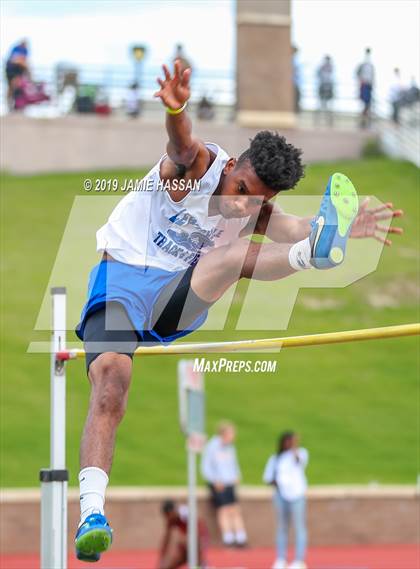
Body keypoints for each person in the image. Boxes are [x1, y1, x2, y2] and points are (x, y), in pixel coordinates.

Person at [73, 60, 403, 562]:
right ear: (231, 169)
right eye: (243, 191)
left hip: (175, 299)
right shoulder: (199, 169)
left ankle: (313, 256)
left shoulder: (255, 206)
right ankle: (92, 513)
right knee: (112, 382)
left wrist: (332, 229)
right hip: (121, 283)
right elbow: (182, 143)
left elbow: (286, 223)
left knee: (232, 256)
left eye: (258, 202)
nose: (243, 207)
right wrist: (177, 109)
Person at [263, 432, 308, 569]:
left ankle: (299, 560)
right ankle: (281, 559)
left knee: (299, 527)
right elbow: (267, 478)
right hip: (281, 495)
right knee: (282, 527)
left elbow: (299, 462)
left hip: (297, 495)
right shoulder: (275, 459)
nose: (290, 444)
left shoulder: (301, 453)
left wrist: (294, 447)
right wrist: (279, 482)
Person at [201, 421, 248, 547]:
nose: (233, 437)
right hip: (218, 483)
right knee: (224, 510)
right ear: (224, 434)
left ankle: (240, 537)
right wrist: (214, 480)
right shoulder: (212, 446)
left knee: (235, 509)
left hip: (229, 482)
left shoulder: (230, 447)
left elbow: (233, 464)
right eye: (231, 434)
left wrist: (237, 476)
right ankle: (228, 538)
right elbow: (206, 466)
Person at [158, 500, 208, 569]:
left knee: (183, 542)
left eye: (167, 515)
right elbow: (167, 539)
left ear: (171, 511)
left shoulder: (184, 513)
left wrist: (194, 544)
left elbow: (198, 528)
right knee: (166, 567)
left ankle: (201, 564)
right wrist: (162, 558)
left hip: (199, 539)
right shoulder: (171, 521)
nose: (167, 518)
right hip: (186, 547)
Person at [5, 39, 29, 109]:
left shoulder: (25, 50)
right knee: (11, 87)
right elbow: (14, 60)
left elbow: (23, 61)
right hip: (11, 70)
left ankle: (16, 104)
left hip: (18, 70)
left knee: (17, 86)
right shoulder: (16, 48)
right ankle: (10, 104)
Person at [356, 47, 375, 128]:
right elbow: (358, 74)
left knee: (367, 105)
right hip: (364, 85)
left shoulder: (370, 65)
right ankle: (363, 122)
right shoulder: (364, 64)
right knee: (365, 105)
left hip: (368, 85)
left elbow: (372, 76)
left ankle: (365, 123)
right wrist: (361, 81)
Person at [315, 55, 335, 126]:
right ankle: (318, 121)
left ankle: (329, 122)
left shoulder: (331, 67)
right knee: (321, 104)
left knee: (328, 105)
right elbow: (318, 75)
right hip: (323, 86)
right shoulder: (322, 67)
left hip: (328, 86)